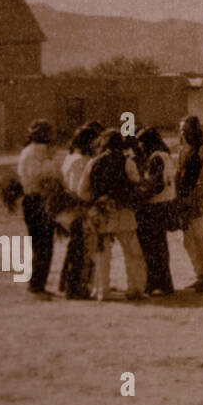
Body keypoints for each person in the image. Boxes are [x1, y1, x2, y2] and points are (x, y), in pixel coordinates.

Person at [82, 132, 148, 301]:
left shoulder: (93, 163)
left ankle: (101, 290)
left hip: (101, 211)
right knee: (131, 251)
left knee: (102, 252)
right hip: (122, 210)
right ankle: (135, 288)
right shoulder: (127, 162)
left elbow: (82, 190)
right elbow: (136, 181)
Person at [15, 119, 62, 299]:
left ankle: (37, 282)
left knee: (40, 243)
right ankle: (37, 283)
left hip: (33, 199)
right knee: (43, 243)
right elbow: (42, 174)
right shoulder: (37, 152)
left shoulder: (29, 151)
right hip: (37, 199)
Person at [175, 116, 203, 292]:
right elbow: (179, 174)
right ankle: (199, 274)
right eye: (181, 130)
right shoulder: (183, 150)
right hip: (184, 200)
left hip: (199, 201)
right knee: (187, 240)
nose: (183, 132)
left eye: (186, 129)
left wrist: (193, 196)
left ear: (195, 129)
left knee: (199, 237)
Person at [58, 124, 100, 299]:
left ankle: (68, 283)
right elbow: (77, 189)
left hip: (71, 210)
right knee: (82, 249)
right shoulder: (79, 162)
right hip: (78, 210)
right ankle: (76, 286)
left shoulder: (71, 158)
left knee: (75, 248)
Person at [133, 127, 176, 295]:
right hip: (164, 205)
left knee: (152, 248)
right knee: (160, 247)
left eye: (142, 143)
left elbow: (157, 185)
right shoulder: (165, 156)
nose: (140, 147)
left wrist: (140, 196)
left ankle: (154, 282)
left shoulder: (156, 158)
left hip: (155, 207)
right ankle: (165, 283)